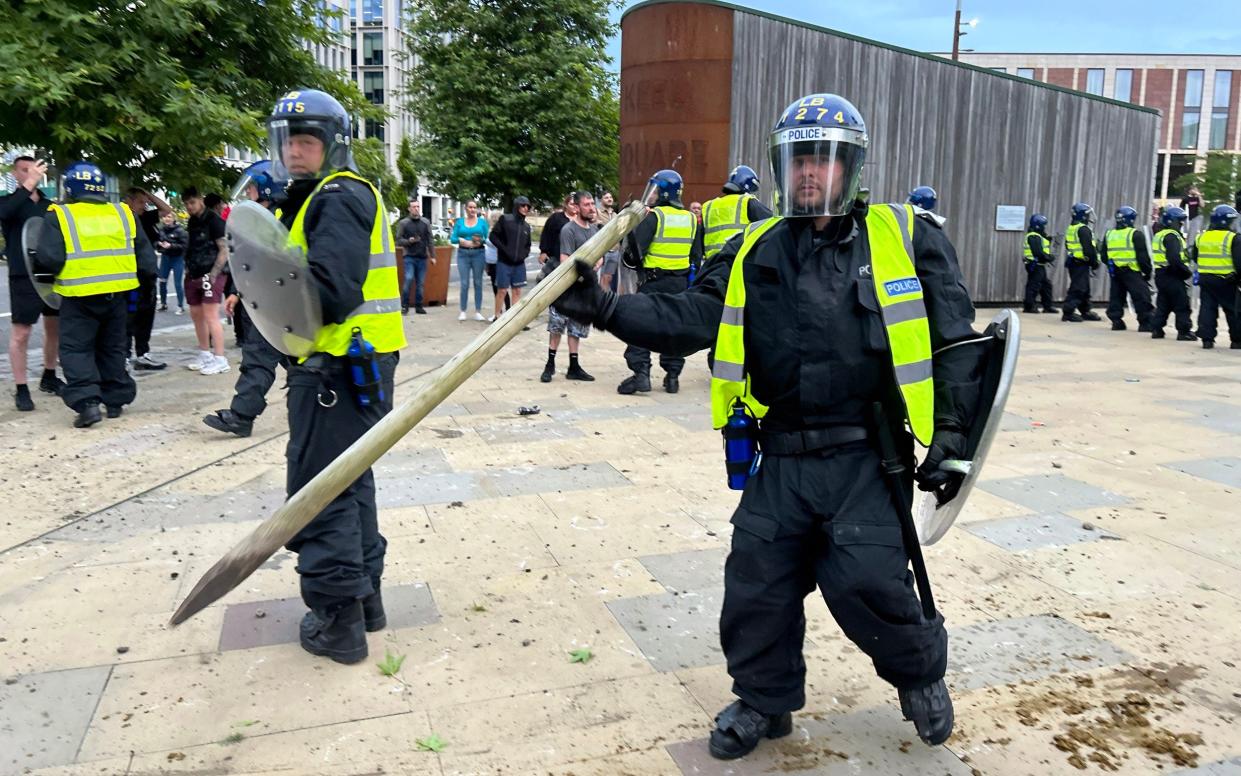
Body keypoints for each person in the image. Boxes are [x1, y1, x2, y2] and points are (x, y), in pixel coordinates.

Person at [553, 92, 980, 760]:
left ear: (852, 167)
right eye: (798, 159)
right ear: (782, 166)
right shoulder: (755, 247)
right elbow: (692, 315)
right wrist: (605, 308)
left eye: (824, 160)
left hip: (868, 456)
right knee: (755, 587)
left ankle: (918, 674)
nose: (810, 173)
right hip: (779, 456)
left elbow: (957, 343)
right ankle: (762, 700)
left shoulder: (906, 236)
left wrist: (953, 440)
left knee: (869, 586)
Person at [262, 88, 405, 664]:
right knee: (349, 482)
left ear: (332, 146)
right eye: (286, 141)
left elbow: (331, 290)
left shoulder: (339, 196)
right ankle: (364, 601)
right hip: (348, 364)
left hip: (337, 367)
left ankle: (337, 620)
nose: (294, 152)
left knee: (320, 492)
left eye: (306, 141)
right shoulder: (315, 196)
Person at [33, 161, 157, 427]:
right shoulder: (124, 213)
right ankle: (115, 401)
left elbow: (49, 259)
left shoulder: (60, 215)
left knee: (77, 350)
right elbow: (146, 262)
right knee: (113, 348)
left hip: (79, 297)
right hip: (117, 297)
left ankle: (87, 403)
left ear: (70, 188)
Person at [204, 161, 289, 438]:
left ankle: (242, 416)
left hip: (274, 304)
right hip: (272, 302)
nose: (248, 194)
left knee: (258, 359)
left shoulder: (276, 221)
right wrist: (236, 292)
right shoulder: (270, 218)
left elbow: (266, 264)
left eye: (251, 188)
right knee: (296, 361)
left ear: (266, 189)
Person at [616, 169, 702, 395]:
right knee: (673, 329)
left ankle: (641, 375)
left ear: (664, 192)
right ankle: (672, 377)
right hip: (680, 285)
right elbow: (696, 257)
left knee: (639, 326)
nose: (651, 195)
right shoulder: (692, 219)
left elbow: (634, 255)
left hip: (653, 283)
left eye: (655, 190)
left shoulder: (655, 217)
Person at [1, 155, 62, 411]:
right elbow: (4, 213)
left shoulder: (49, 206)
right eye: (25, 170)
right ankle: (21, 387)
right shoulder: (9, 202)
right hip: (22, 274)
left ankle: (49, 376)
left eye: (35, 170)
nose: (31, 174)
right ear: (16, 174)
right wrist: (28, 186)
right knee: (22, 333)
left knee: (54, 326)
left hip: (49, 274)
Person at [540, 191, 599, 383]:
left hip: (584, 288)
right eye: (587, 204)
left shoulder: (595, 230)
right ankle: (550, 364)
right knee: (557, 325)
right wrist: (584, 273)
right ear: (577, 207)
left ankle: (574, 366)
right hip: (565, 288)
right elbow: (566, 260)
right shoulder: (569, 230)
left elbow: (600, 256)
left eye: (592, 204)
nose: (591, 208)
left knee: (577, 328)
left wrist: (594, 268)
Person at [122, 187, 173, 370]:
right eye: (140, 202)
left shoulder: (145, 217)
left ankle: (143, 353)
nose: (144, 206)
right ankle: (125, 354)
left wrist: (149, 195)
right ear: (129, 201)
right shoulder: (121, 218)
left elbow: (167, 210)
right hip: (130, 275)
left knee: (146, 315)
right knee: (129, 315)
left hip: (147, 275)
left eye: (145, 202)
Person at [182, 188, 230, 373]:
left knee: (210, 314)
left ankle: (219, 357)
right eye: (186, 204)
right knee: (196, 314)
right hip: (194, 271)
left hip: (211, 272)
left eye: (192, 202)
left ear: (200, 200)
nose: (189, 207)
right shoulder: (193, 221)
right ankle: (205, 353)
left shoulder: (214, 220)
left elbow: (224, 249)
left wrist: (213, 273)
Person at [1189, 205, 1241, 350]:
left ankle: (1207, 340)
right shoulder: (1232, 238)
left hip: (1205, 279)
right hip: (1227, 279)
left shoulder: (1202, 237)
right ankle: (1237, 341)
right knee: (1233, 311)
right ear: (1226, 222)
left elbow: (1195, 257)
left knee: (1207, 308)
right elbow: (1239, 261)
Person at [701, 165, 773, 261]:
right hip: (736, 262)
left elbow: (699, 242)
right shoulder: (746, 201)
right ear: (748, 187)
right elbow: (773, 223)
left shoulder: (708, 206)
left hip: (711, 264)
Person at [1101, 205, 1154, 332]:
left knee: (1116, 296)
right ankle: (1145, 323)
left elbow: (1103, 255)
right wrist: (1147, 272)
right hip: (1132, 271)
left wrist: (1113, 264)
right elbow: (1143, 257)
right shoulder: (1135, 234)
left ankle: (1116, 321)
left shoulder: (1109, 234)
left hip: (1115, 271)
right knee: (1142, 297)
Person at [1149, 206, 1196, 341]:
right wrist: (1185, 272)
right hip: (1172, 274)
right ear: (1172, 221)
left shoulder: (1159, 235)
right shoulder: (1172, 236)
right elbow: (1174, 258)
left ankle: (1157, 329)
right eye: (1180, 222)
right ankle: (1184, 331)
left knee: (1163, 303)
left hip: (1161, 274)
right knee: (1181, 304)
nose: (1181, 225)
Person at [489, 196, 533, 320]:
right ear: (517, 206)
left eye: (528, 206)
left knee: (517, 291)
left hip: (519, 263)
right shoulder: (506, 219)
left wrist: (524, 254)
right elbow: (493, 236)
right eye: (523, 205)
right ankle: (497, 316)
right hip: (504, 262)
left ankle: (514, 318)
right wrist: (504, 249)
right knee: (502, 290)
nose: (525, 208)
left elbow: (528, 245)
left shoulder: (526, 226)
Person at [1061, 203, 1102, 322]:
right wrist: (1094, 263)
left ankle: (1085, 310)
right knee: (1078, 288)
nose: (1089, 217)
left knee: (1084, 288)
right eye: (1088, 214)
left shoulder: (1072, 228)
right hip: (1081, 262)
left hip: (1074, 262)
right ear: (1083, 216)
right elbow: (1089, 249)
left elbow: (1068, 245)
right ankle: (1068, 312)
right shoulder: (1083, 229)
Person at [451, 200, 489, 321]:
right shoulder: (459, 222)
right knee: (464, 283)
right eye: (470, 207)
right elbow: (453, 238)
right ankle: (463, 310)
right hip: (463, 254)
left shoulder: (482, 222)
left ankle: (478, 311)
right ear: (466, 209)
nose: (473, 210)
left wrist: (479, 240)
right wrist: (461, 240)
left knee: (478, 282)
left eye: (475, 207)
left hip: (478, 253)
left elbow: (487, 238)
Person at [396, 200, 433, 315]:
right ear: (409, 209)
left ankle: (419, 306)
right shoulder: (404, 223)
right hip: (409, 256)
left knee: (420, 283)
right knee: (408, 279)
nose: (416, 209)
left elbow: (430, 240)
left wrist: (433, 256)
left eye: (418, 206)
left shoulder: (425, 222)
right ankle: (404, 306)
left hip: (422, 256)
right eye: (413, 207)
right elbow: (398, 240)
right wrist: (409, 241)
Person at [1022, 214, 1057, 314]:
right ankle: (1029, 306)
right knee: (1034, 285)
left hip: (1039, 265)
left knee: (1046, 286)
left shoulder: (1038, 236)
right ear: (1038, 225)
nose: (1044, 227)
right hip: (1035, 264)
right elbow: (1038, 252)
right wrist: (1049, 257)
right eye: (1043, 225)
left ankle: (1047, 306)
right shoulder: (1033, 236)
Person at [155, 210, 188, 314]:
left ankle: (180, 306)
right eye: (165, 217)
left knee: (178, 283)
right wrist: (159, 244)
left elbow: (184, 246)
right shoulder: (161, 230)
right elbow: (155, 242)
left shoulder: (180, 231)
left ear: (174, 218)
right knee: (162, 281)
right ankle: (163, 304)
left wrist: (171, 246)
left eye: (169, 217)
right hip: (165, 258)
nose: (167, 219)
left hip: (177, 259)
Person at [597, 191, 623, 292]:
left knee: (609, 277)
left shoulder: (615, 214)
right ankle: (600, 301)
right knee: (601, 278)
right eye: (606, 197)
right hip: (603, 251)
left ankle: (607, 301)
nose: (609, 199)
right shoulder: (597, 212)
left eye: (611, 197)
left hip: (614, 250)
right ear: (601, 200)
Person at [539, 196, 572, 272]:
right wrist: (543, 251)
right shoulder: (556, 218)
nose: (574, 206)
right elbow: (546, 234)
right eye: (571, 204)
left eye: (576, 204)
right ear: (566, 205)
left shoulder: (581, 220)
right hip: (556, 257)